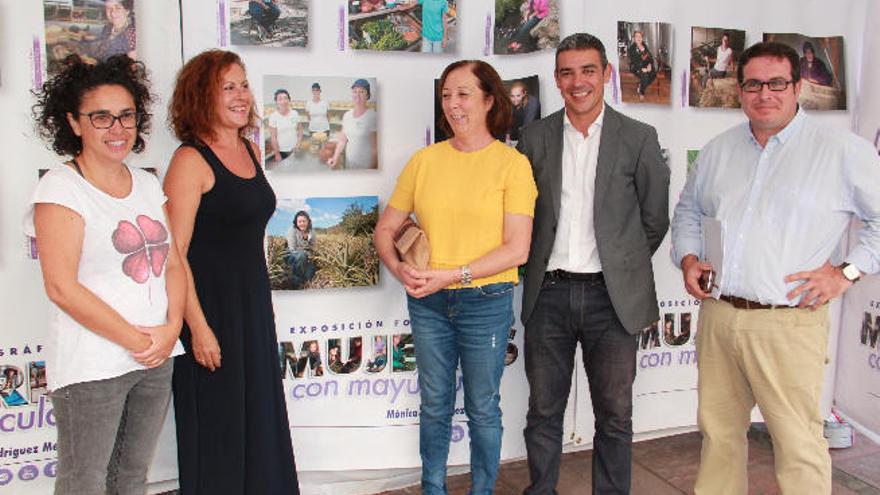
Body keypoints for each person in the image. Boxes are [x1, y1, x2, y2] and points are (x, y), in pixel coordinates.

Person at [670, 41, 880, 495]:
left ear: (798, 86)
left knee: (798, 442)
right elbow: (688, 212)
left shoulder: (841, 151)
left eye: (777, 83)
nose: (765, 93)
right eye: (753, 84)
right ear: (739, 90)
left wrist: (844, 274)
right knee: (719, 436)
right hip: (721, 317)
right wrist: (688, 259)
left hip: (789, 323)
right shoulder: (718, 150)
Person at [374, 59, 537, 494]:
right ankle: (433, 488)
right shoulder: (424, 161)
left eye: (463, 94)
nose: (453, 104)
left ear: (489, 101)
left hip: (486, 301)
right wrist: (400, 269)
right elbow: (385, 230)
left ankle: (482, 490)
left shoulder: (512, 165)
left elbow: (516, 248)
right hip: (427, 301)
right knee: (434, 406)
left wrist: (453, 275)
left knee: (483, 407)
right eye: (446, 95)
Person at [517, 33, 670, 495]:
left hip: (613, 299)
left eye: (587, 70)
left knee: (615, 415)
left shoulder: (640, 138)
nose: (577, 81)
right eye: (566, 72)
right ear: (556, 79)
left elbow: (654, 220)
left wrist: (621, 267)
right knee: (544, 410)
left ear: (606, 74)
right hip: (549, 296)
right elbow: (523, 215)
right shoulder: (534, 137)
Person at [26, 54, 186, 494]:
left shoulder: (148, 184)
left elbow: (173, 263)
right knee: (85, 482)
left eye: (126, 116)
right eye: (101, 118)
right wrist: (137, 341)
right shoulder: (61, 188)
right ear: (74, 123)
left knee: (132, 478)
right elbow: (61, 287)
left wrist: (171, 329)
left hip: (156, 356)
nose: (117, 129)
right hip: (93, 363)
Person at [165, 49, 300, 494]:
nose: (241, 95)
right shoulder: (190, 161)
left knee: (258, 420)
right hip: (209, 313)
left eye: (243, 84)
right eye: (228, 87)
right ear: (202, 95)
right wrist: (198, 328)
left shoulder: (247, 148)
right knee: (219, 430)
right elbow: (174, 255)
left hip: (251, 308)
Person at [327, 79, 377, 170]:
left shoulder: (372, 116)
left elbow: (375, 148)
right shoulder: (347, 115)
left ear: (368, 95)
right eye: (355, 92)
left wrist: (371, 169)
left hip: (366, 166)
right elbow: (343, 140)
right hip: (349, 163)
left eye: (362, 91)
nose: (357, 95)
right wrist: (335, 157)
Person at [268, 88, 303, 164]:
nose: (283, 101)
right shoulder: (273, 116)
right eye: (280, 99)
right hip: (282, 151)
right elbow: (273, 137)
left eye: (285, 98)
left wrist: (298, 143)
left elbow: (300, 130)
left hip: (295, 149)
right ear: (276, 102)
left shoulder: (294, 113)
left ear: (289, 100)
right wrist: (277, 154)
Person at [286, 210, 316, 289]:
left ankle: (303, 282)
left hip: (306, 256)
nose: (302, 223)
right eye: (299, 221)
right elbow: (292, 249)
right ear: (296, 222)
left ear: (308, 222)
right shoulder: (292, 231)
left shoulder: (311, 232)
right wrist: (305, 252)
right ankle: (296, 283)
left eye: (304, 221)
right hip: (292, 256)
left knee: (310, 272)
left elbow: (313, 247)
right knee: (301, 256)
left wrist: (310, 256)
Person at [627, 30, 657, 100]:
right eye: (636, 36)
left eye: (640, 36)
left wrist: (649, 64)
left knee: (653, 74)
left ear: (642, 38)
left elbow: (649, 57)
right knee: (645, 76)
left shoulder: (644, 45)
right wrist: (642, 69)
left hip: (645, 65)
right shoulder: (632, 48)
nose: (638, 38)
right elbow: (635, 61)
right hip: (636, 67)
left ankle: (641, 85)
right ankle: (642, 92)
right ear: (634, 38)